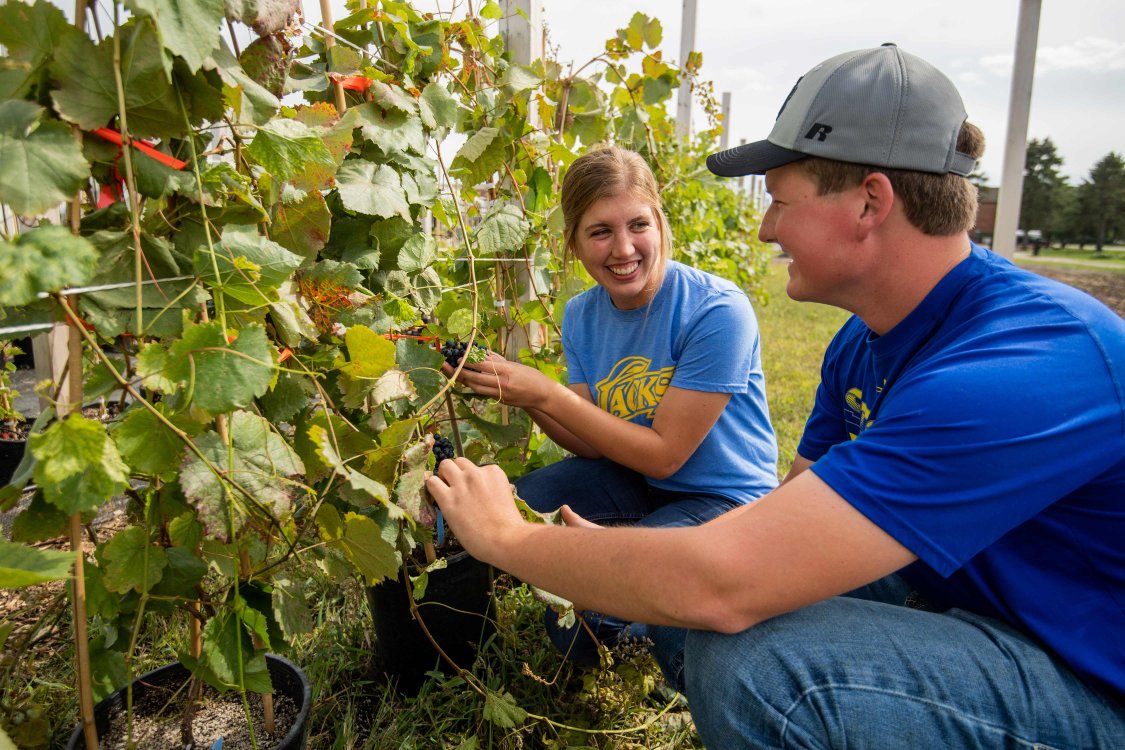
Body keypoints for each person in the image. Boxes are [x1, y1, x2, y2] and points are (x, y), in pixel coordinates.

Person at [428, 43, 1125, 749]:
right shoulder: (862, 345)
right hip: (963, 602)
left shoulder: (1023, 364)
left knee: (753, 660)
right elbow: (790, 508)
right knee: (678, 601)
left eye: (780, 203)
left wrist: (507, 538)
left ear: (868, 203)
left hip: (1085, 679)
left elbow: (722, 579)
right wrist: (646, 567)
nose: (764, 229)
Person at [445, 145, 779, 680]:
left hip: (723, 500)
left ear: (660, 222)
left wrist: (548, 393)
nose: (623, 248)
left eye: (638, 224)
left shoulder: (717, 311)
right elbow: (594, 443)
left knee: (583, 619)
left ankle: (681, 608)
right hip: (629, 477)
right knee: (506, 511)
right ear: (573, 243)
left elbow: (668, 457)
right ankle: (646, 552)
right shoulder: (581, 313)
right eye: (600, 232)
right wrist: (522, 395)